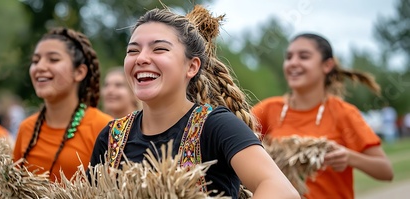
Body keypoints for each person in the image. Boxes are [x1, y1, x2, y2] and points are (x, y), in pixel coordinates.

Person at [90, 6, 299, 199]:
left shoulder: (215, 126)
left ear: (192, 67)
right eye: (133, 51)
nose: (141, 58)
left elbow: (281, 189)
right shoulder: (111, 137)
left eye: (159, 49)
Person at [252, 33, 393, 199]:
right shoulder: (268, 109)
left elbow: (386, 171)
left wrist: (349, 157)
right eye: (289, 57)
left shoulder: (343, 113)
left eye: (304, 57)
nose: (293, 63)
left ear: (327, 65)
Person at [12, 27, 113, 182]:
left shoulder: (104, 128)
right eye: (35, 61)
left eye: (53, 59)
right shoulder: (27, 128)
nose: (40, 67)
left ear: (79, 72)